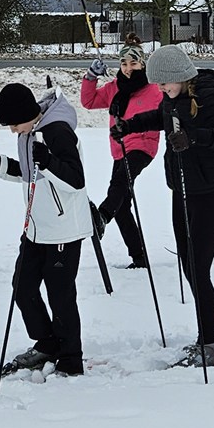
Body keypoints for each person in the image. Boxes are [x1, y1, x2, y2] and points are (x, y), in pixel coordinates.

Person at [115, 44, 214, 366]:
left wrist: (195, 137)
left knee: (198, 269)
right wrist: (129, 125)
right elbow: (160, 117)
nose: (161, 89)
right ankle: (213, 329)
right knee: (189, 266)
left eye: (164, 84)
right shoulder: (171, 98)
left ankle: (207, 347)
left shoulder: (208, 97)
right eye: (157, 84)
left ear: (182, 76)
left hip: (209, 194)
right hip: (181, 190)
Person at [0, 83, 91, 376]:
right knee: (23, 287)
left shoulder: (57, 131)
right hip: (36, 228)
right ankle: (47, 343)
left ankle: (70, 359)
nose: (13, 130)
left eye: (14, 123)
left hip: (63, 230)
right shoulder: (29, 131)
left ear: (28, 113)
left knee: (60, 295)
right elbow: (29, 174)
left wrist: (50, 160)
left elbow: (75, 180)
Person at [79, 43, 161, 268]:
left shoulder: (153, 89)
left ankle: (102, 216)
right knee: (123, 205)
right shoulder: (115, 87)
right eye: (124, 63)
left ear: (142, 64)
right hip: (119, 149)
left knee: (119, 183)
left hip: (143, 147)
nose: (128, 68)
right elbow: (89, 101)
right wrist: (91, 76)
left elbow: (166, 112)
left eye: (133, 63)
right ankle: (139, 257)